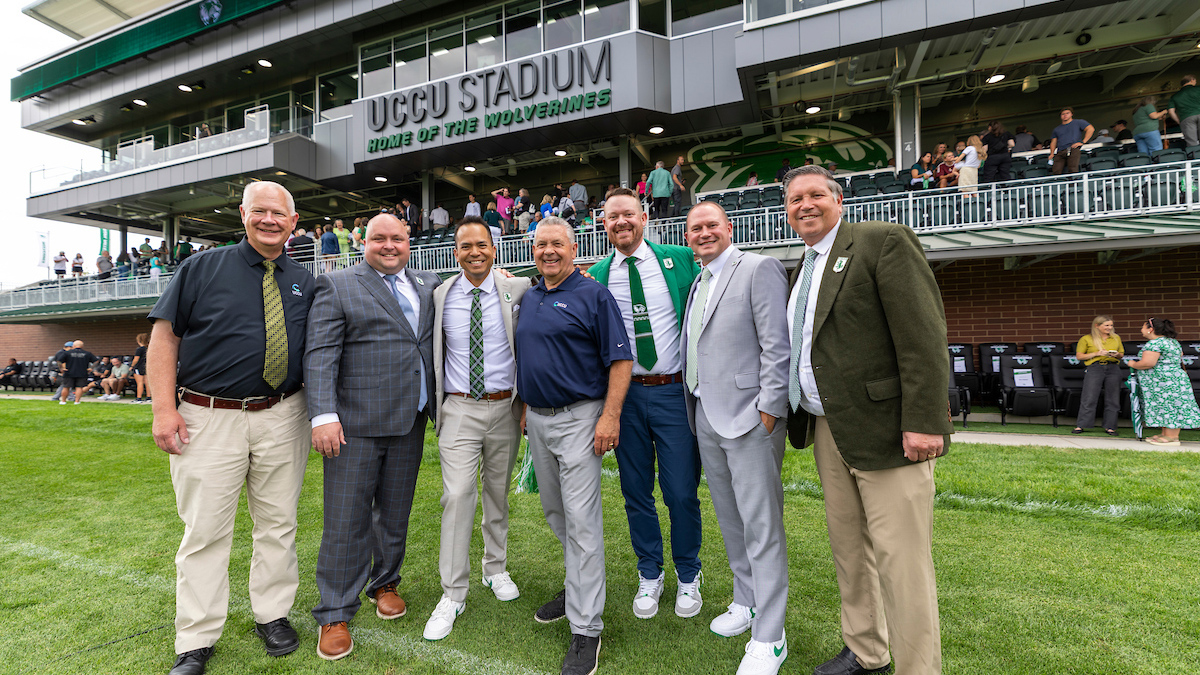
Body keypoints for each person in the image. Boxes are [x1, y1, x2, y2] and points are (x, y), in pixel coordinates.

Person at [783, 165, 950, 675]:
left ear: (839, 201)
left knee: (902, 561)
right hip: (828, 428)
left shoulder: (882, 241)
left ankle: (918, 668)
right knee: (850, 552)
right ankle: (866, 650)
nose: (805, 205)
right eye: (794, 199)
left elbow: (923, 337)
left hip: (887, 430)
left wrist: (924, 420)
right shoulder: (803, 265)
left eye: (815, 194)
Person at [148, 181, 315, 675]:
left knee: (278, 524)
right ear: (243, 214)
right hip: (207, 417)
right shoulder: (202, 267)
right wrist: (163, 409)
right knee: (204, 532)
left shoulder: (303, 279)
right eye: (259, 210)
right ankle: (196, 639)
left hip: (283, 414)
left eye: (278, 213)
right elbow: (164, 338)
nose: (269, 220)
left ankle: (273, 615)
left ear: (293, 221)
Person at [514, 217, 632, 675]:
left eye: (557, 244)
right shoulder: (531, 295)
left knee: (582, 522)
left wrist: (610, 416)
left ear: (574, 248)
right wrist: (527, 405)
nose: (548, 251)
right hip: (539, 421)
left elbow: (620, 360)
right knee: (556, 512)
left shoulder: (593, 294)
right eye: (541, 244)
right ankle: (578, 587)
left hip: (581, 419)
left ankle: (587, 628)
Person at [680, 200, 790, 675]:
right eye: (695, 228)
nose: (703, 233)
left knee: (761, 526)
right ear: (687, 237)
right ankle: (746, 601)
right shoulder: (699, 279)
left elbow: (777, 345)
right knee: (730, 519)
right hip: (706, 413)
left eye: (711, 225)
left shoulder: (758, 268)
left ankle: (771, 635)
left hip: (749, 419)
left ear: (729, 227)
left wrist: (768, 411)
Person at [588, 188, 704, 621]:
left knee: (680, 491)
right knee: (635, 491)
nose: (621, 222)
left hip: (674, 391)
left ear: (644, 217)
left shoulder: (681, 259)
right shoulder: (597, 275)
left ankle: (689, 572)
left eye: (628, 214)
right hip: (627, 395)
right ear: (603, 224)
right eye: (612, 217)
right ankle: (649, 572)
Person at [424, 217, 530, 641]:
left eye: (481, 245)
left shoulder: (517, 289)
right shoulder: (440, 294)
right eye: (466, 246)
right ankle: (453, 592)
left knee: (497, 493)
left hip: (505, 407)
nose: (474, 252)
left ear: (493, 248)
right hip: (459, 409)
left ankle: (495, 567)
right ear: (456, 253)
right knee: (457, 495)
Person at [1128, 318, 1200, 446]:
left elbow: (1148, 363)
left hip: (1164, 382)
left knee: (1169, 406)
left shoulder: (1155, 344)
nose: (1141, 330)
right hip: (1172, 380)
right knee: (1166, 406)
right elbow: (1179, 355)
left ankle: (1172, 437)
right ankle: (1165, 434)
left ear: (1150, 329)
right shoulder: (1172, 342)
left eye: (1143, 327)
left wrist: (1133, 364)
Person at [1072, 316, 1124, 436]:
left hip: (1113, 367)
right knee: (1089, 396)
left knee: (1113, 398)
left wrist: (1116, 354)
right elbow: (1079, 356)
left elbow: (1121, 354)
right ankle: (1082, 425)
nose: (1109, 328)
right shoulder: (1086, 338)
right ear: (1097, 326)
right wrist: (1097, 353)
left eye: (1111, 325)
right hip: (1095, 367)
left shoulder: (1116, 337)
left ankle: (1110, 427)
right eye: (1106, 325)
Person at [1049, 108, 1094, 175]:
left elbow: (1090, 129)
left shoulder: (1079, 122)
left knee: (1073, 169)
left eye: (1067, 113)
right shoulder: (1056, 129)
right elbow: (1053, 142)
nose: (1065, 115)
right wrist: (1052, 153)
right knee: (1056, 170)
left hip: (1073, 148)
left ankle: (1073, 181)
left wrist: (1083, 142)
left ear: (1071, 114)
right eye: (1063, 114)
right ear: (1060, 116)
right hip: (1060, 151)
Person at [1168, 75, 1200, 148]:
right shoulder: (1198, 89)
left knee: (1192, 143)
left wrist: (1179, 121)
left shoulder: (1175, 96)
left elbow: (1171, 111)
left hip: (1186, 118)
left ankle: (1195, 154)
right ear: (1192, 80)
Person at [130, 333, 150, 403]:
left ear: (139, 340)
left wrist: (132, 366)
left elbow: (136, 359)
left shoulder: (139, 349)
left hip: (139, 367)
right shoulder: (149, 348)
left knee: (140, 383)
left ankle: (139, 398)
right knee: (147, 383)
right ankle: (148, 397)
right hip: (147, 367)